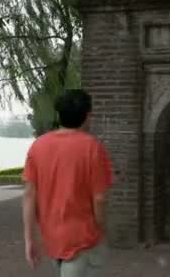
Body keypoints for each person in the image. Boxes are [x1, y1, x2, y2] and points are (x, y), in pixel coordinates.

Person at [23, 89, 113, 276]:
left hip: (53, 240)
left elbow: (29, 195)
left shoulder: (38, 146)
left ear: (59, 113)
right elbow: (100, 199)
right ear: (88, 116)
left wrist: (29, 239)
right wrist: (102, 228)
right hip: (84, 240)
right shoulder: (92, 148)